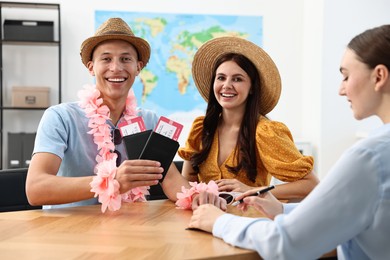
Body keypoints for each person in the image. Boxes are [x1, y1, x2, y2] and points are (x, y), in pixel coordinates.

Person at [188, 24, 390, 260]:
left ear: (379, 76)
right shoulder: (201, 128)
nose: (341, 89)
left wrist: (220, 221)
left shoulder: (370, 157)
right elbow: (341, 213)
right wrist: (283, 208)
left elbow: (287, 243)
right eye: (221, 78)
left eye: (346, 75)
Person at [25, 17, 226, 212]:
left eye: (125, 59)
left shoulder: (150, 121)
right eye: (106, 59)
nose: (116, 68)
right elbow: (35, 189)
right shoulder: (60, 117)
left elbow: (171, 180)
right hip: (66, 233)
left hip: (131, 232)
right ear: (91, 67)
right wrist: (111, 181)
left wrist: (198, 196)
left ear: (138, 67)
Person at [178, 37, 319, 201]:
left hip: (251, 221)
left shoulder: (266, 132)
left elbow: (311, 184)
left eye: (237, 79)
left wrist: (254, 190)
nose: (227, 85)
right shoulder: (202, 128)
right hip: (207, 218)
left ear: (252, 87)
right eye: (221, 78)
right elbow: (188, 183)